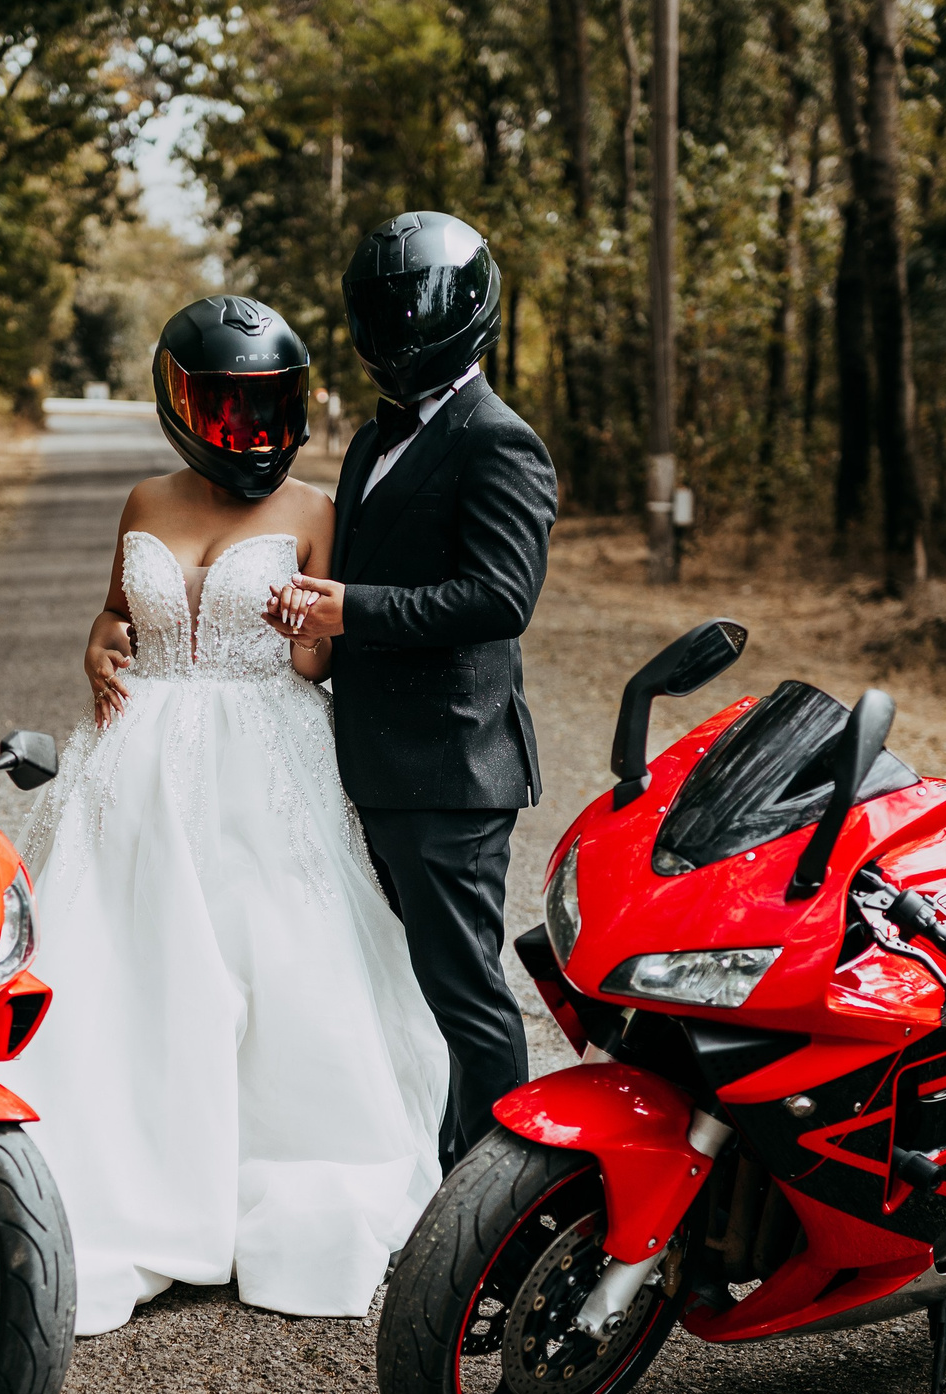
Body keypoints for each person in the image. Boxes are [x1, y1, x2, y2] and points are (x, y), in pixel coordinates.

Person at [0, 295, 446, 1337]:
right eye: (227, 405)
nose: (248, 428)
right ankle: (126, 1174)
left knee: (279, 959)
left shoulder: (314, 511)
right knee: (122, 961)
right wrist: (96, 642)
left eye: (266, 406)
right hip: (138, 761)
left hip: (264, 756)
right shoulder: (142, 499)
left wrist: (309, 625)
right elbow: (122, 616)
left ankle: (273, 1170)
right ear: (183, 402)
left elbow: (318, 655)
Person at [263, 211, 558, 1173]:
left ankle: (505, 1203)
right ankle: (433, 1162)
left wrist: (355, 609)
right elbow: (357, 576)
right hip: (371, 760)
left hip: (450, 768)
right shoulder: (368, 443)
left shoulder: (500, 442)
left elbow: (500, 597)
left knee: (466, 993)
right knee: (397, 981)